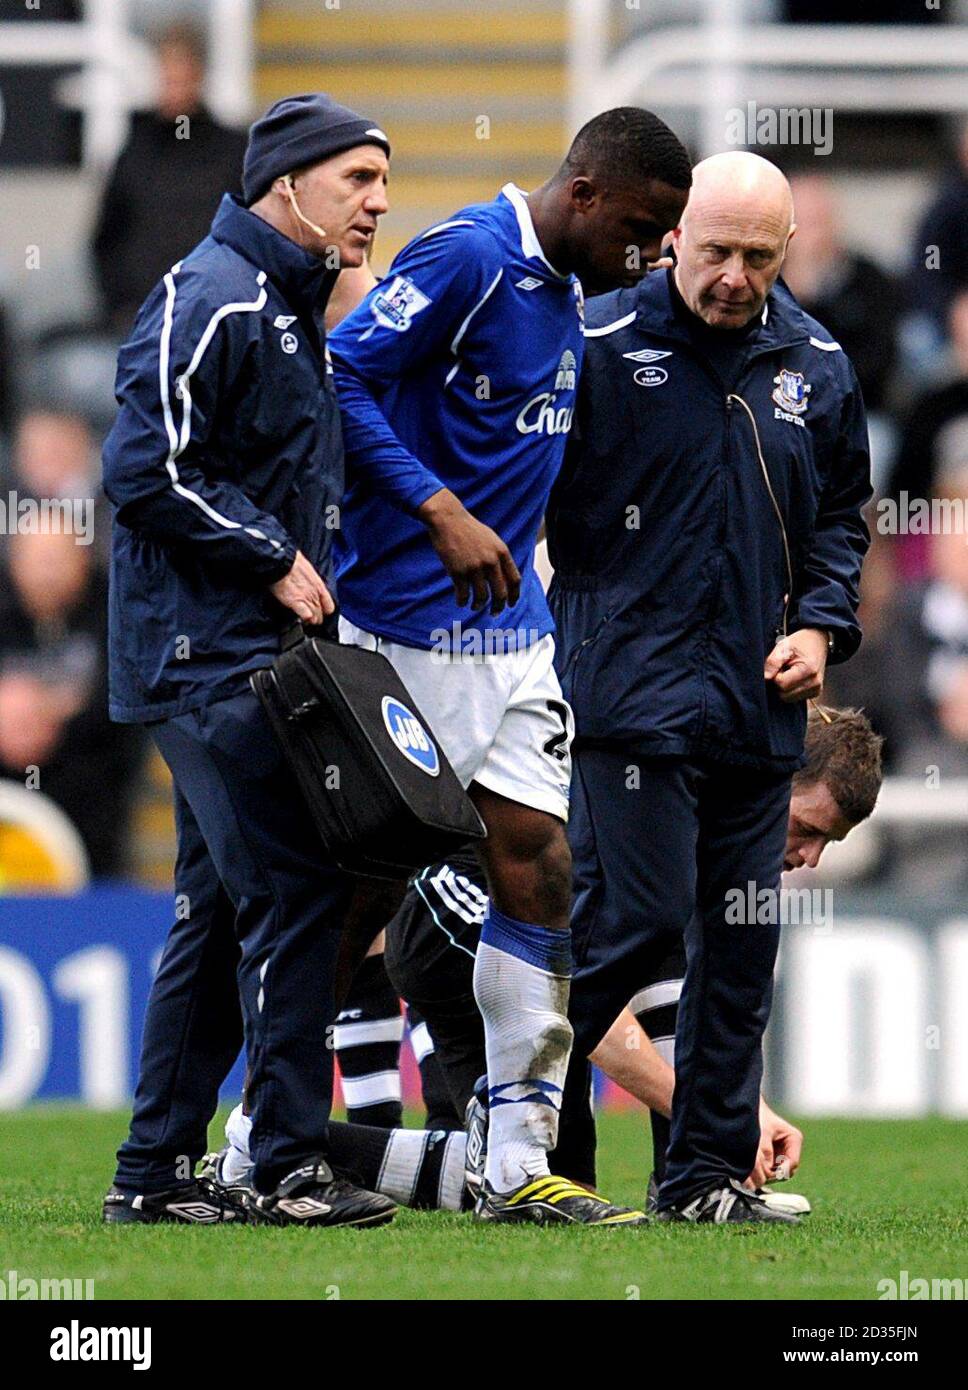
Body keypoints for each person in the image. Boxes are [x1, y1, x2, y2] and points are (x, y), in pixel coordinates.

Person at [328, 107, 692, 1225]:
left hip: (512, 635)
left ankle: (515, 1159)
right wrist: (437, 508)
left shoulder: (572, 290)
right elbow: (338, 377)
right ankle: (268, 1133)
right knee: (354, 908)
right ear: (581, 194)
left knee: (538, 869)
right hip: (402, 628)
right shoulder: (467, 258)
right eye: (641, 228)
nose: (654, 254)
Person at [546, 152, 872, 1224]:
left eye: (758, 257)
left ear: (784, 254)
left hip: (754, 710)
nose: (734, 275)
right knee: (632, 928)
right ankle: (519, 1123)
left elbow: (838, 521)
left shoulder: (816, 364)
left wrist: (821, 625)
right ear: (673, 237)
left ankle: (701, 1181)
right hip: (625, 701)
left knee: (736, 957)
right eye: (717, 250)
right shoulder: (594, 343)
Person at [209, 703, 883, 1219]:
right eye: (808, 829)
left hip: (528, 932)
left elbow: (658, 980)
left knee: (550, 1179)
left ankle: (289, 1148)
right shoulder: (664, 770)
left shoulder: (699, 799)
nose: (808, 858)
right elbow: (584, 999)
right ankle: (271, 1146)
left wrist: (738, 1111)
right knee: (520, 1169)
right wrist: (712, 1115)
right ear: (777, 781)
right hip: (464, 911)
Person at [100, 93, 401, 1228]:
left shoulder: (284, 302)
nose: (377, 200)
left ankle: (155, 1172)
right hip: (200, 654)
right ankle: (283, 1164)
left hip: (246, 653)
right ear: (286, 182)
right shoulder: (208, 295)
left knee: (217, 908)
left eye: (381, 180)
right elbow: (144, 468)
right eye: (355, 180)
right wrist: (272, 555)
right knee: (293, 889)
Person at [91, 22, 248, 332]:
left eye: (182, 77)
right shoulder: (135, 150)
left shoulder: (233, 151)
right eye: (167, 76)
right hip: (142, 319)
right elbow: (105, 238)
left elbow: (249, 236)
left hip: (215, 318)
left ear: (199, 76)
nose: (173, 88)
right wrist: (120, 307)